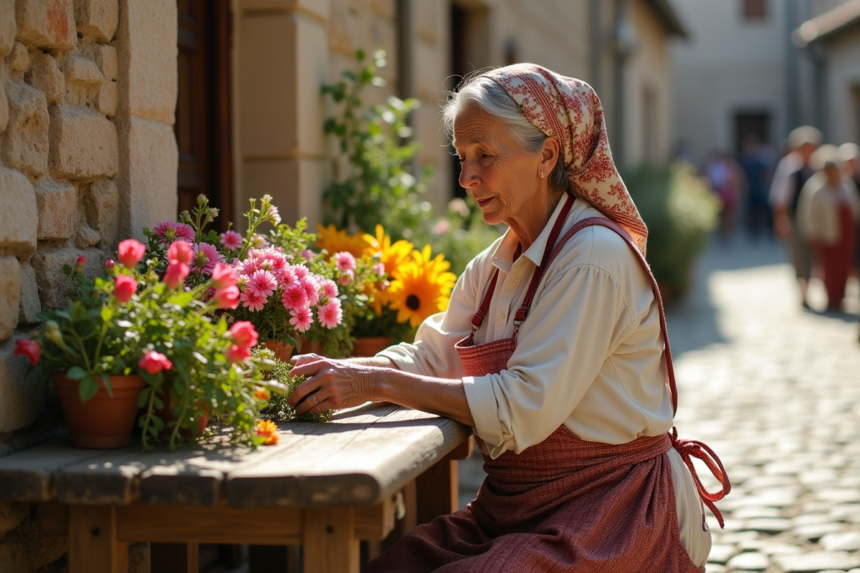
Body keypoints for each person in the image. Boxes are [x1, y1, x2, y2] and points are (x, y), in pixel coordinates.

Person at [287, 64, 729, 572]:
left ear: (546, 156)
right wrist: (333, 375)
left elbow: (521, 406)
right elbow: (433, 356)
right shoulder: (497, 264)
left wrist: (376, 382)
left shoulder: (591, 258)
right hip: (516, 511)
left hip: (614, 512)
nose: (466, 177)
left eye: (485, 156)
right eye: (462, 157)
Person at [798, 145, 860, 311]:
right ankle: (831, 298)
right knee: (829, 268)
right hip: (827, 234)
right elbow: (808, 214)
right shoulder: (816, 189)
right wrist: (812, 233)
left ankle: (841, 297)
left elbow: (854, 207)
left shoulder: (846, 186)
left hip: (846, 234)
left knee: (845, 266)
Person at [769, 126, 823, 308]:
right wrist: (781, 221)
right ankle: (803, 292)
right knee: (799, 256)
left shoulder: (818, 166)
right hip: (796, 219)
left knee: (816, 256)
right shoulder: (789, 167)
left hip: (816, 219)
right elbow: (780, 197)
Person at [738, 135, 774, 240]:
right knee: (750, 211)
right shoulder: (743, 160)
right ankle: (752, 231)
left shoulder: (759, 161)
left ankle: (760, 229)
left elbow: (765, 174)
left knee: (760, 210)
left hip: (759, 188)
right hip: (749, 190)